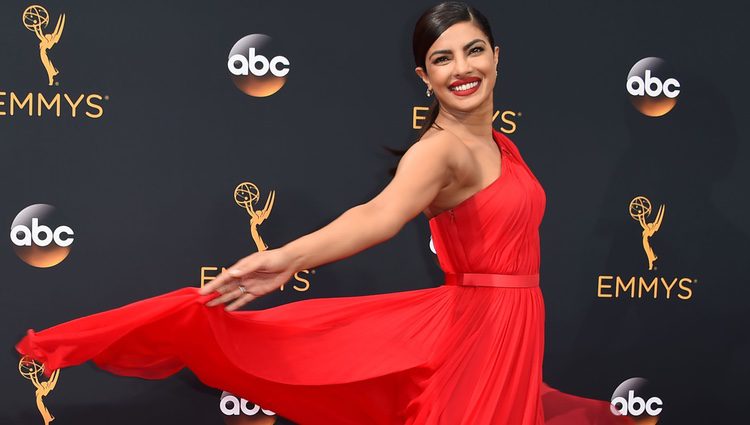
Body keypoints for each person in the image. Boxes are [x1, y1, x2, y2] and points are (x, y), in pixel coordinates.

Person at [16, 2, 634, 424]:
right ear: (425, 76)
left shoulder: (500, 144)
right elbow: (377, 215)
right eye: (443, 59)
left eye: (473, 51)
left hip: (511, 326)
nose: (462, 68)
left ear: (497, 57)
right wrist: (286, 257)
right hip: (479, 333)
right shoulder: (440, 150)